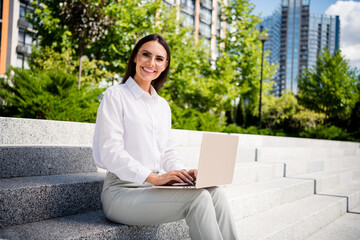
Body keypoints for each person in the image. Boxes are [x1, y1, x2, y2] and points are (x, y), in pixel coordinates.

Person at [92, 33, 239, 240]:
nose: (151, 63)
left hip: (151, 189)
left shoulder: (162, 106)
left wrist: (185, 175)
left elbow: (168, 151)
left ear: (165, 64)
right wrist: (154, 178)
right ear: (135, 57)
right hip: (121, 192)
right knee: (198, 199)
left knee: (216, 192)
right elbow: (110, 153)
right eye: (146, 55)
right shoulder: (115, 95)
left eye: (159, 59)